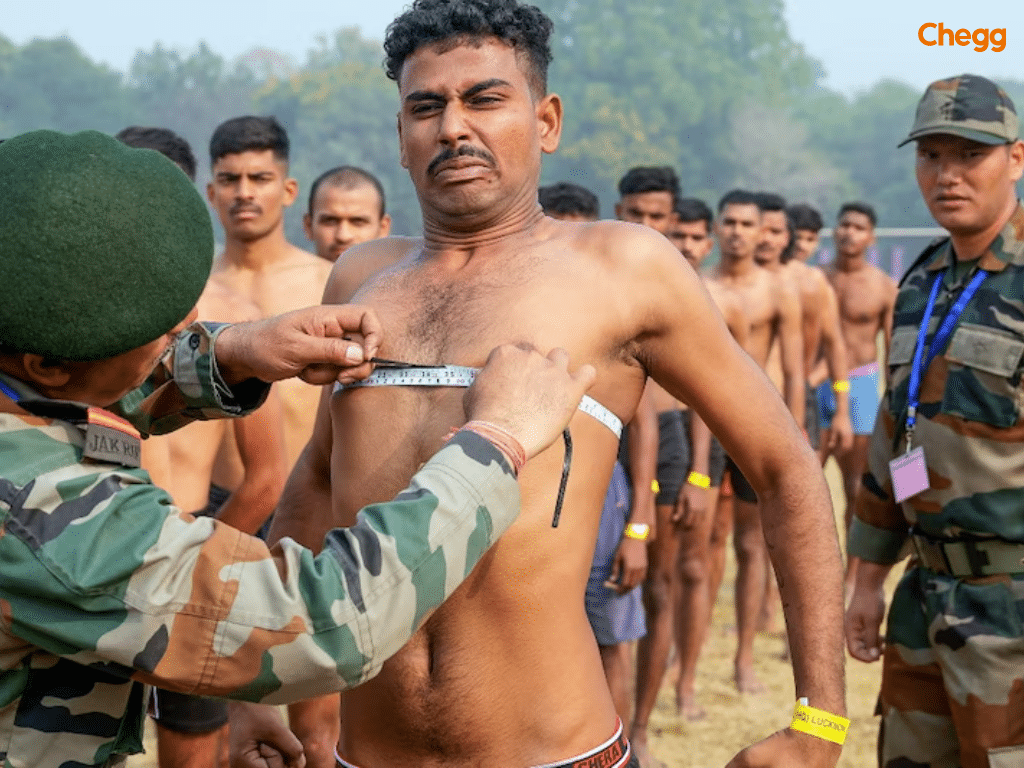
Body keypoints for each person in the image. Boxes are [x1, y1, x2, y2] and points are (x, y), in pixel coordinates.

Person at [270, 3, 846, 767]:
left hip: (556, 752)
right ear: (400, 138)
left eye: (484, 99)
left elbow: (783, 466)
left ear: (546, 121)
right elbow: (315, 481)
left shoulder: (622, 268)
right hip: (367, 753)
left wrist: (822, 723)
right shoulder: (362, 276)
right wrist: (264, 695)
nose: (452, 128)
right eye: (426, 106)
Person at [0, 129, 595, 768]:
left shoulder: (24, 384)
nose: (182, 329)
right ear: (48, 361)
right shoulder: (44, 512)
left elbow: (63, 404)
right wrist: (494, 444)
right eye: (160, 330)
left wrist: (230, 353)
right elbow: (319, 624)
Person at [846, 73, 1024, 768]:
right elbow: (895, 434)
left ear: (1016, 157)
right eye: (931, 156)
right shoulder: (921, 284)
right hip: (924, 601)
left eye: (969, 155)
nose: (947, 175)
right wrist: (866, 577)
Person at [117, 125, 289, 768]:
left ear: (190, 199)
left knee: (193, 752)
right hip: (91, 557)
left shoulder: (229, 316)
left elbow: (266, 477)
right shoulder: (73, 322)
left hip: (189, 554)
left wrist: (196, 566)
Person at [540, 181, 651, 727]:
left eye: (573, 232)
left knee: (609, 638)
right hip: (530, 495)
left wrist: (639, 527)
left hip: (604, 499)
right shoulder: (515, 309)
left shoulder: (617, 314)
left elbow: (644, 426)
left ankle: (624, 749)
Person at [614, 166, 704, 764]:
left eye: (658, 216)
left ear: (673, 218)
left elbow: (704, 391)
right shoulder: (590, 275)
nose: (647, 226)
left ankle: (640, 726)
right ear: (618, 210)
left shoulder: (686, 291)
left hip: (667, 439)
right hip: (599, 432)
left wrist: (700, 472)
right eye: (636, 214)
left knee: (660, 584)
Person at [705, 189, 803, 694]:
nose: (739, 232)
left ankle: (744, 656)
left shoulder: (778, 290)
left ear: (762, 229)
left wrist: (795, 442)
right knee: (701, 546)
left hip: (755, 425)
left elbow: (794, 370)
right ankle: (686, 660)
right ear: (718, 228)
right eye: (731, 222)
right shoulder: (697, 286)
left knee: (750, 544)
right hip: (704, 424)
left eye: (749, 224)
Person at [205, 115, 333, 470]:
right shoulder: (195, 291)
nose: (244, 193)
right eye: (230, 180)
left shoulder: (329, 284)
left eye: (259, 179)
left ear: (288, 190)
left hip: (307, 496)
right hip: (214, 506)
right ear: (212, 193)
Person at [667, 197, 747, 720]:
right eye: (676, 235)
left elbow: (714, 392)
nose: (686, 247)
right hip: (646, 438)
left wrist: (701, 471)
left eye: (695, 237)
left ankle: (688, 680)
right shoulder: (627, 294)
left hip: (701, 435)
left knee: (697, 562)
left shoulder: (722, 303)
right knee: (651, 574)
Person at [820, 201, 897, 558]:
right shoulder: (814, 280)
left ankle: (853, 571)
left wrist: (893, 403)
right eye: (844, 224)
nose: (849, 232)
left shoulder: (882, 287)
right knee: (803, 483)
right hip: (817, 384)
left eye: (858, 227)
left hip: (862, 387)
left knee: (856, 485)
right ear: (835, 230)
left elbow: (893, 350)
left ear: (870, 237)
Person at [304, 165, 393, 263]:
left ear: (383, 228)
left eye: (358, 222)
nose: (343, 236)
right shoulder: (288, 278)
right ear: (308, 226)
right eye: (330, 221)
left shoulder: (403, 278)